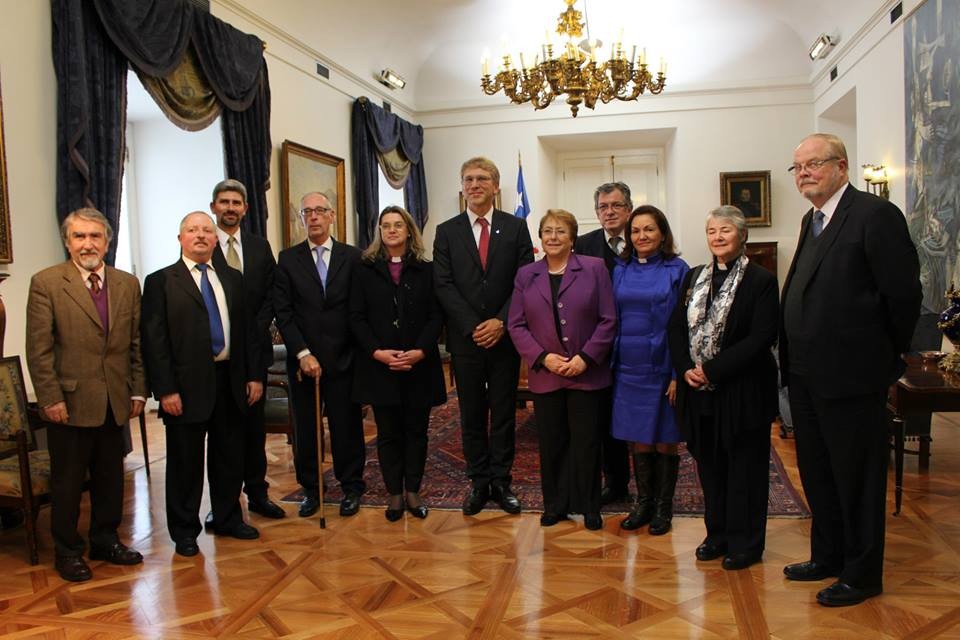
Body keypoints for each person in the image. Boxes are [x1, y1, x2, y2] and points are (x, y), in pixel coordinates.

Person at [780, 133, 921, 606]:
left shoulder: (875, 215)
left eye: (813, 164)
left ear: (841, 166)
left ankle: (861, 575)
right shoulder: (811, 219)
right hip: (806, 375)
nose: (804, 173)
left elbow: (902, 296)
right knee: (818, 475)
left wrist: (883, 359)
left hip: (853, 377)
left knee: (856, 480)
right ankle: (828, 556)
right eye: (797, 167)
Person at [26, 208, 147, 581]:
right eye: (79, 237)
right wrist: (50, 398)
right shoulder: (46, 283)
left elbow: (136, 343)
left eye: (95, 236)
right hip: (70, 401)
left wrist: (139, 391)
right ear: (67, 241)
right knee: (69, 480)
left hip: (115, 398)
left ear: (107, 242)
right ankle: (67, 550)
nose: (87, 244)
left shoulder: (127, 284)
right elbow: (39, 349)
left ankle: (105, 539)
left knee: (111, 475)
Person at [141, 212, 264, 557]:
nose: (200, 236)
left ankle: (227, 518)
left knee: (229, 456)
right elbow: (155, 341)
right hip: (184, 386)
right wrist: (165, 390)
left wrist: (254, 375)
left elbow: (248, 333)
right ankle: (184, 531)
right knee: (185, 463)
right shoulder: (161, 281)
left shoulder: (233, 279)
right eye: (192, 230)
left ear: (215, 240)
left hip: (231, 381)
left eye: (206, 231)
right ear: (180, 238)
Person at [668, 205, 778, 571]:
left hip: (742, 391)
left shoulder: (761, 280)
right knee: (710, 467)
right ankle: (717, 534)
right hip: (697, 392)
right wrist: (686, 368)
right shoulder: (694, 277)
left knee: (744, 467)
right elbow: (675, 329)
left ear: (742, 235)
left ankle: (746, 543)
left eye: (725, 230)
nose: (717, 236)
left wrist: (712, 370)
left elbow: (761, 337)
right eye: (712, 230)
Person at [434, 156, 534, 515]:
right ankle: (478, 481)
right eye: (468, 179)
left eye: (481, 179)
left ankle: (502, 481)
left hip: (505, 338)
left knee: (505, 412)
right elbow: (443, 284)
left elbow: (525, 280)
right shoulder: (446, 231)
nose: (474, 185)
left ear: (495, 186)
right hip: (466, 340)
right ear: (462, 187)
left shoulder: (516, 228)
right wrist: (473, 326)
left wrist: (501, 322)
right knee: (472, 413)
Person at [508, 209, 615, 530]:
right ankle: (554, 504)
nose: (553, 237)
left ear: (572, 239)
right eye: (547, 232)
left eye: (560, 232)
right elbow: (515, 324)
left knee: (587, 442)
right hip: (546, 374)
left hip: (587, 372)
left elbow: (609, 319)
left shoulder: (595, 268)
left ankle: (590, 506)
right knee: (552, 442)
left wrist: (586, 357)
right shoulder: (526, 274)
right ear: (540, 238)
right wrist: (542, 357)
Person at [349, 206, 447, 521]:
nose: (391, 230)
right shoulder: (363, 270)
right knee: (389, 433)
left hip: (419, 365)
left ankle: (413, 491)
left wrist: (420, 350)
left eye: (397, 225)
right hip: (379, 366)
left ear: (408, 231)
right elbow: (356, 317)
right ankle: (394, 493)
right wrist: (377, 352)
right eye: (385, 226)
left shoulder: (426, 269)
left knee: (416, 431)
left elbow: (436, 316)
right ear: (379, 232)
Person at [274, 192, 366, 519]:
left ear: (331, 216)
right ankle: (312, 489)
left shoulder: (354, 257)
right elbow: (283, 313)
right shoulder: (287, 259)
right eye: (307, 212)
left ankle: (352, 486)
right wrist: (302, 353)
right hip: (304, 363)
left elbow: (359, 309)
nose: (313, 216)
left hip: (345, 358)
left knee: (347, 427)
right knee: (307, 428)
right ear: (301, 219)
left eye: (319, 211)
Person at [209, 179, 285, 522]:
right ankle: (223, 506)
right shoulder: (203, 246)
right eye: (223, 202)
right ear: (214, 207)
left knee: (254, 432)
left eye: (236, 203)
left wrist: (257, 329)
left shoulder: (258, 246)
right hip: (217, 359)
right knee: (223, 437)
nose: (229, 208)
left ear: (245, 208)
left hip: (254, 352)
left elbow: (271, 293)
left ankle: (258, 495)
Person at [612, 205, 689, 534]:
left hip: (662, 363)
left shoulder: (678, 269)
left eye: (649, 229)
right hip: (628, 366)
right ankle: (643, 503)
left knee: (664, 437)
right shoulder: (621, 269)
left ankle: (663, 507)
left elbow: (686, 324)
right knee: (638, 435)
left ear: (662, 233)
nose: (641, 236)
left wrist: (676, 373)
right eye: (635, 231)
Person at [573, 182, 633, 505]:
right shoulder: (583, 245)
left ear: (628, 209)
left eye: (616, 205)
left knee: (631, 416)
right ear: (596, 213)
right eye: (603, 207)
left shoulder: (642, 238)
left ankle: (646, 485)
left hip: (634, 342)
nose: (609, 212)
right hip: (595, 344)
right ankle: (614, 482)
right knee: (600, 418)